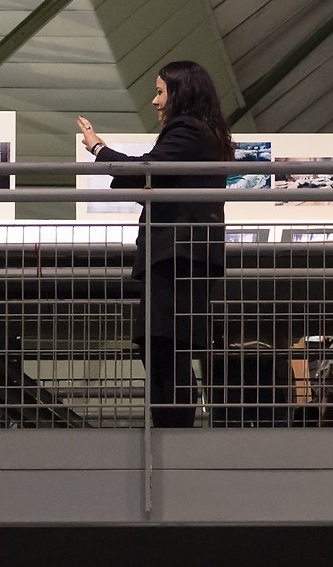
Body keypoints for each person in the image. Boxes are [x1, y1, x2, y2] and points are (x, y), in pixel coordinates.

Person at [79, 59, 231, 430]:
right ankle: (168, 430)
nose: (154, 101)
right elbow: (155, 179)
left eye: (160, 91)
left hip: (176, 256)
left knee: (164, 346)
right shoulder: (202, 132)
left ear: (181, 93)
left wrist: (100, 150)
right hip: (180, 256)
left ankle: (171, 433)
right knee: (160, 345)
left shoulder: (187, 129)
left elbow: (149, 170)